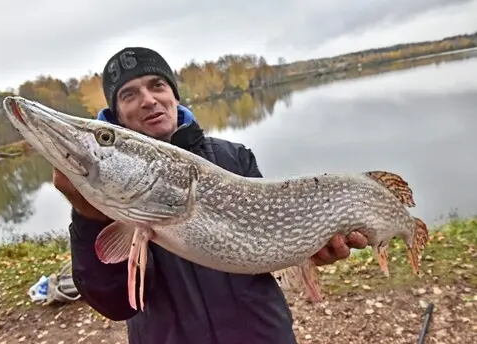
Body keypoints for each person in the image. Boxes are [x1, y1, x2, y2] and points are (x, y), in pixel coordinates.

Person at [53, 47, 368, 344]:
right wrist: (89, 217)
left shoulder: (234, 157)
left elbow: (272, 244)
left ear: (174, 95)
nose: (148, 100)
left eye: (157, 85)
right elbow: (115, 303)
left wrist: (310, 249)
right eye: (129, 94)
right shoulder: (112, 190)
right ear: (118, 117)